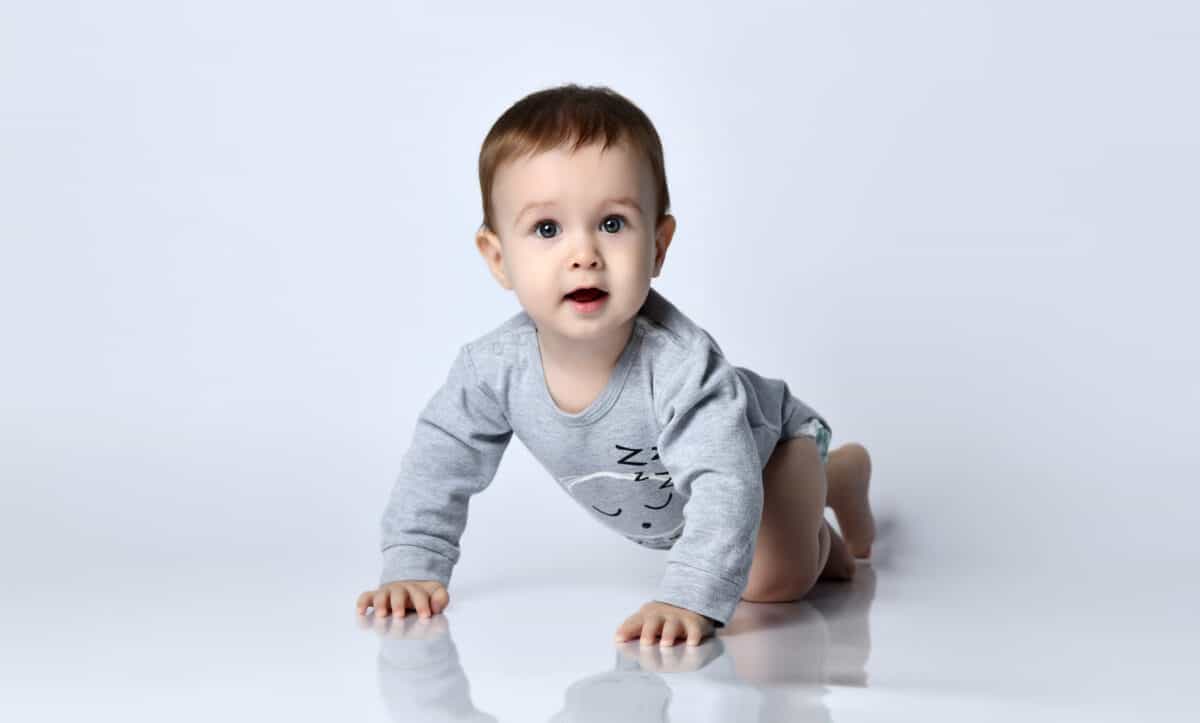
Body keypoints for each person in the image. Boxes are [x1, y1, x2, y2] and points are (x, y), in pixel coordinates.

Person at [355, 83, 875, 648]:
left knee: (771, 582)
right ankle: (835, 487)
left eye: (612, 224)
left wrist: (687, 594)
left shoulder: (681, 367)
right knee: (765, 555)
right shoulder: (492, 371)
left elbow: (724, 482)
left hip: (768, 452)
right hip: (703, 499)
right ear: (498, 258)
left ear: (658, 245)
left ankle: (820, 481)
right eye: (547, 229)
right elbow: (441, 461)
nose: (584, 254)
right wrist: (414, 561)